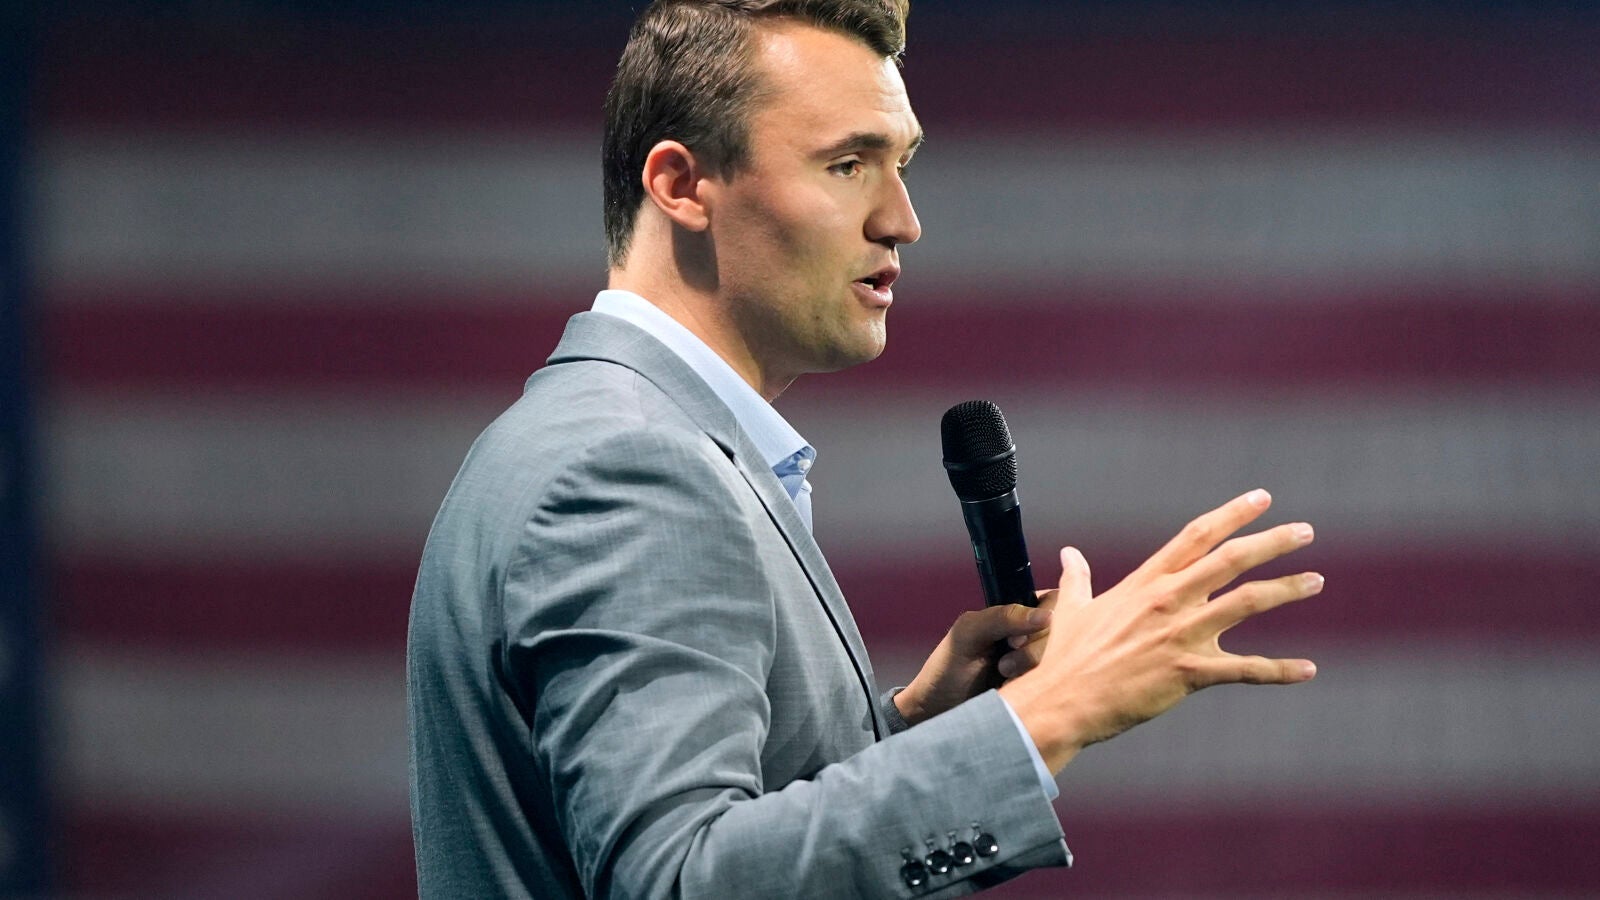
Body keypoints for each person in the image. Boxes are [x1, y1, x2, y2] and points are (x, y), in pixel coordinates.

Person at [406, 1, 1323, 897]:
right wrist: (1045, 716)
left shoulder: (601, 433)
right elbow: (681, 878)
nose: (902, 220)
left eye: (901, 164)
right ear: (681, 186)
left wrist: (916, 727)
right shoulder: (633, 470)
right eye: (848, 165)